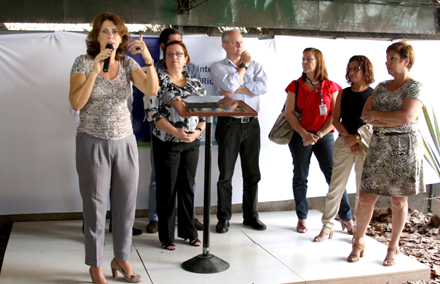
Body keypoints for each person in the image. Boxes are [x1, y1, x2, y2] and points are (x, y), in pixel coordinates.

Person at [69, 12, 158, 284]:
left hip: (125, 143)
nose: (111, 36)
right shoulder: (83, 63)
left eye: (116, 32)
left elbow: (151, 88)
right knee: (95, 208)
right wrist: (95, 71)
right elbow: (76, 103)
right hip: (92, 141)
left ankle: (121, 258)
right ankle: (95, 266)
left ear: (122, 38)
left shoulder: (128, 62)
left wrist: (149, 60)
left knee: (125, 205)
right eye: (106, 31)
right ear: (97, 36)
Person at [347, 41, 424, 266]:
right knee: (365, 196)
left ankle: (393, 246)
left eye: (392, 58)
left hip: (404, 148)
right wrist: (385, 117)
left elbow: (407, 117)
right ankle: (358, 241)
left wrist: (379, 117)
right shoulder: (381, 86)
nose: (387, 62)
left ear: (405, 61)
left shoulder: (414, 87)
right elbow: (365, 113)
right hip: (379, 145)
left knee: (398, 200)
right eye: (387, 57)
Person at [144, 40, 206, 250]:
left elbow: (204, 115)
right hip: (167, 141)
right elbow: (152, 114)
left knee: (187, 187)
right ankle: (167, 237)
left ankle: (189, 232)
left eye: (179, 54)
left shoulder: (196, 84)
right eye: (170, 54)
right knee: (167, 189)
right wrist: (175, 132)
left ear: (186, 59)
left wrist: (197, 132)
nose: (175, 57)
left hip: (192, 143)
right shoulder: (156, 81)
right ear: (164, 59)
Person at [284, 47, 352, 234]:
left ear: (318, 62)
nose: (304, 62)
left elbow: (334, 115)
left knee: (334, 177)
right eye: (303, 59)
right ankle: (302, 218)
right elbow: (289, 114)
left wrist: (320, 135)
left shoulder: (331, 86)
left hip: (325, 137)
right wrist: (305, 134)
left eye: (309, 59)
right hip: (301, 137)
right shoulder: (295, 85)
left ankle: (346, 217)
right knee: (300, 176)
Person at [211, 29, 268, 233]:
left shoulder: (257, 65)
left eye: (241, 42)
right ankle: (223, 218)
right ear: (225, 45)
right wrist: (242, 67)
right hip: (229, 124)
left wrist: (237, 89)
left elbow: (264, 86)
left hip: (252, 124)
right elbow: (231, 82)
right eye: (234, 43)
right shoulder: (217, 67)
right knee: (225, 174)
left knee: (252, 174)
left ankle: (251, 216)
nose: (239, 46)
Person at [313, 55, 374, 242]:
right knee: (336, 186)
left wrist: (356, 140)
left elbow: (373, 122)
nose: (352, 72)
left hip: (364, 143)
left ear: (365, 70)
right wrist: (348, 139)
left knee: (361, 190)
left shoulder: (373, 94)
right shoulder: (343, 93)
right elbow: (335, 119)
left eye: (356, 68)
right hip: (343, 142)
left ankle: (359, 229)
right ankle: (327, 226)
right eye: (350, 68)